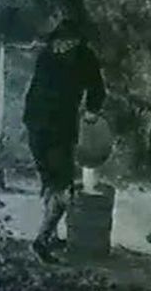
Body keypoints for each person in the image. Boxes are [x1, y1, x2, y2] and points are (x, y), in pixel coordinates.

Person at [23, 17, 106, 263]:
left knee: (57, 185)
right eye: (60, 41)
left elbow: (97, 88)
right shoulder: (46, 57)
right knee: (59, 188)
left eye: (69, 41)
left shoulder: (84, 58)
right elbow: (35, 95)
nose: (63, 45)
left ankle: (50, 236)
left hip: (60, 129)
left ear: (77, 41)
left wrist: (92, 109)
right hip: (40, 128)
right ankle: (41, 241)